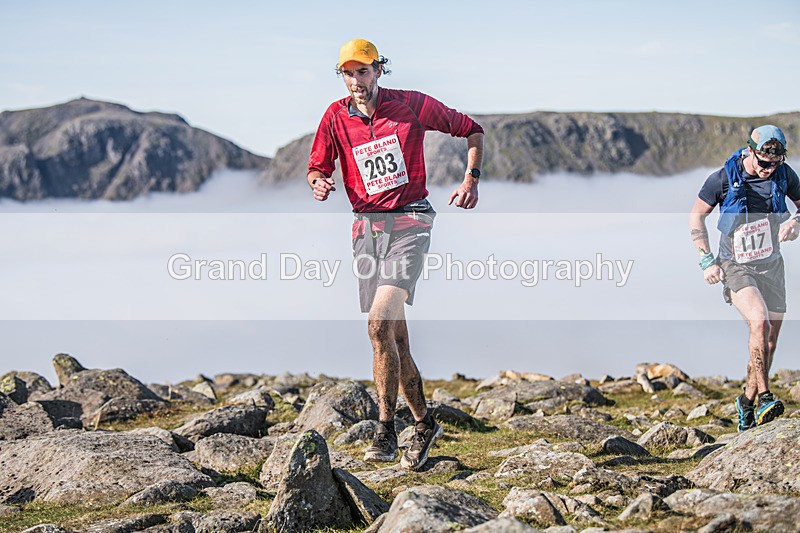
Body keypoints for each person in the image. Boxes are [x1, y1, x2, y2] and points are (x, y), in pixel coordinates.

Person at [307, 39, 484, 469]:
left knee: (377, 322)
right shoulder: (335, 116)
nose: (355, 81)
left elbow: (472, 129)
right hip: (366, 230)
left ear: (378, 71)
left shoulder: (411, 105)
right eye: (347, 73)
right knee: (393, 338)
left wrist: (471, 179)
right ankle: (424, 422)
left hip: (411, 222)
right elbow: (317, 166)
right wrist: (318, 181)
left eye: (362, 72)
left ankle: (384, 430)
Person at [689, 125, 800, 432]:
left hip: (772, 265)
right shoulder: (723, 178)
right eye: (764, 163)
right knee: (759, 322)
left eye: (775, 164)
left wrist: (796, 223)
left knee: (770, 343)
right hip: (735, 265)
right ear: (751, 151)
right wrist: (706, 260)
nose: (769, 170)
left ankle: (746, 402)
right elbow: (696, 214)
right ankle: (765, 396)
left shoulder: (784, 175)